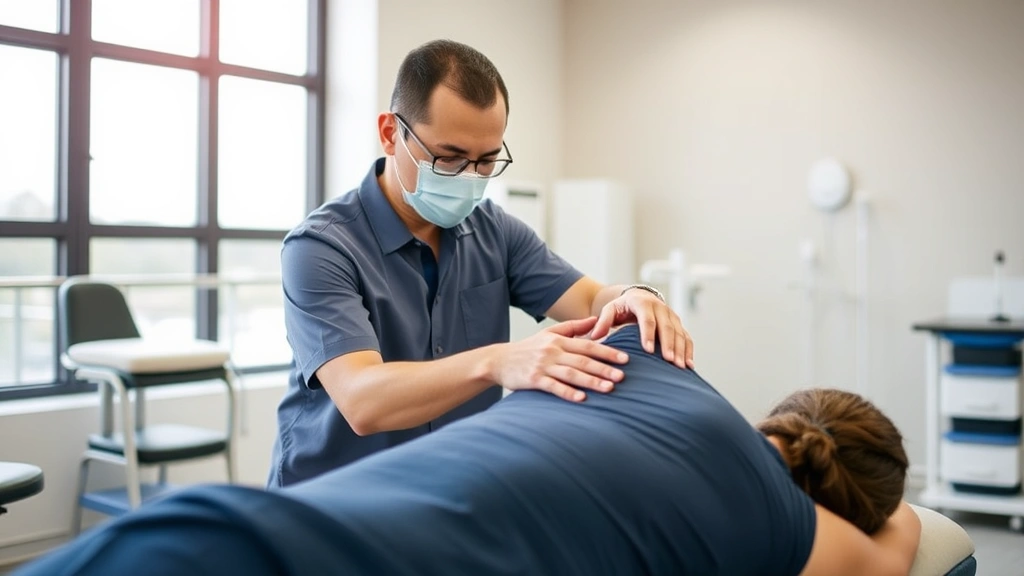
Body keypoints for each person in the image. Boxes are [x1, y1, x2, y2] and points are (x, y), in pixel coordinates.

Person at [15, 324, 920, 576]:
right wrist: (877, 504)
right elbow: (908, 542)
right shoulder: (788, 524)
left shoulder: (632, 354)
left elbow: (608, 296)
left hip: (228, 531)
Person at [269, 38, 693, 488]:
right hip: (332, 502)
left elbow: (590, 298)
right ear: (392, 134)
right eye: (448, 158)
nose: (470, 178)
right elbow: (363, 399)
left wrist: (635, 297)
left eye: (487, 161)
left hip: (451, 491)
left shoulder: (494, 230)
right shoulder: (322, 248)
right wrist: (498, 362)